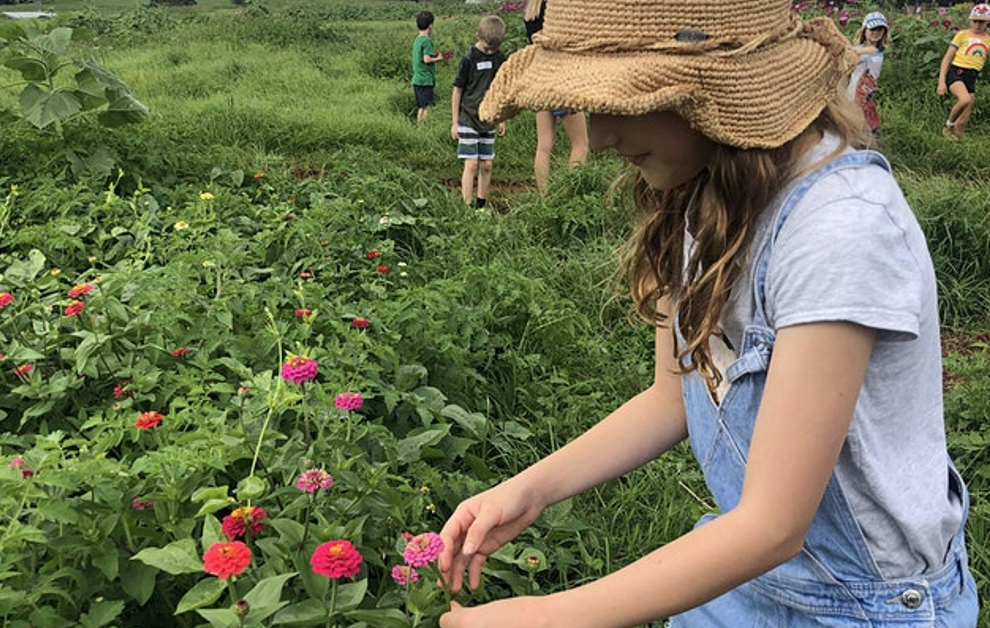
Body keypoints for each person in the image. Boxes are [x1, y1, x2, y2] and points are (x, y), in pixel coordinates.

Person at [437, 0, 979, 626]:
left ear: (715, 92)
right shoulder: (701, 194)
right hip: (746, 570)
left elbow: (774, 525)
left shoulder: (839, 230)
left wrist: (548, 616)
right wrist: (527, 490)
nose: (603, 135)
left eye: (625, 103)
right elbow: (672, 398)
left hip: (859, 605)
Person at [523, 0, 588, 194]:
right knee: (580, 143)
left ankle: (545, 197)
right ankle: (571, 195)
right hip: (562, 78)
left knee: (544, 145)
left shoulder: (530, 10)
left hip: (540, 77)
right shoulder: (559, 8)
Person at [451, 15, 508, 209]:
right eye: (486, 48)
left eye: (494, 48)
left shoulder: (499, 58)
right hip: (468, 118)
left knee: (486, 164)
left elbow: (500, 89)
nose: (490, 52)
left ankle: (481, 205)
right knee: (472, 164)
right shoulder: (469, 58)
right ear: (478, 36)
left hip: (489, 118)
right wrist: (455, 122)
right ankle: (467, 207)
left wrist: (501, 118)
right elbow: (457, 90)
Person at [937, 3, 990, 139]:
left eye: (982, 21)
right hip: (957, 73)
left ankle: (954, 146)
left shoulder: (988, 40)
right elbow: (947, 59)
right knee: (964, 100)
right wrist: (941, 82)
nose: (977, 24)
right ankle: (948, 126)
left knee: (962, 122)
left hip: (972, 77)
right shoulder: (962, 35)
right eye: (975, 21)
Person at [848, 12, 889, 141]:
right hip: (856, 89)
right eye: (872, 29)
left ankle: (869, 138)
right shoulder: (858, 50)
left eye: (880, 29)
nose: (876, 32)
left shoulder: (879, 51)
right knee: (856, 113)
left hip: (869, 88)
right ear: (864, 30)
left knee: (869, 112)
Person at [412, 10, 444, 124]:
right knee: (427, 107)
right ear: (430, 25)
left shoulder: (417, 40)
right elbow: (426, 59)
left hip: (417, 80)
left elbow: (421, 57)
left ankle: (419, 128)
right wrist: (438, 58)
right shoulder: (427, 40)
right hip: (425, 80)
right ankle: (425, 128)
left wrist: (432, 55)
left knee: (421, 107)